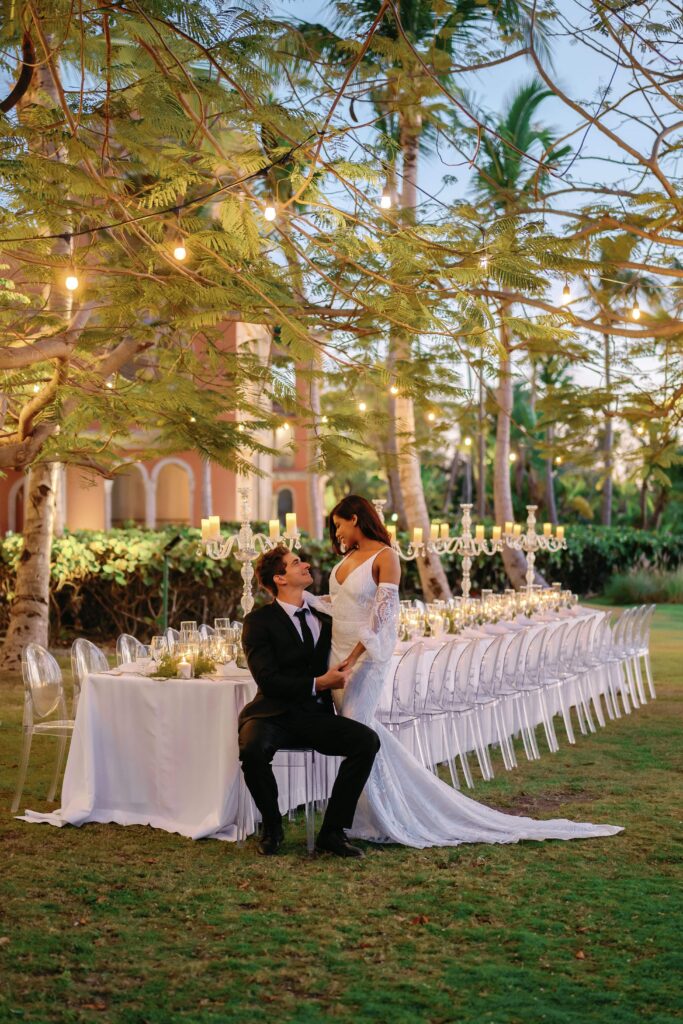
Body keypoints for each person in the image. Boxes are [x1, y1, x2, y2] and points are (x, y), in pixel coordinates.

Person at [305, 494, 623, 847]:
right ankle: (366, 815)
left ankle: (381, 815)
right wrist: (304, 600)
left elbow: (381, 618)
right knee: (360, 735)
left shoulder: (387, 557)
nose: (336, 533)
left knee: (358, 730)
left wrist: (353, 658)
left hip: (365, 657)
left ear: (355, 518)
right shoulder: (348, 557)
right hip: (336, 654)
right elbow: (343, 604)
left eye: (338, 525)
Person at [239, 545, 380, 858]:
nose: (305, 565)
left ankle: (332, 831)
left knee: (367, 741)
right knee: (252, 748)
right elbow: (268, 680)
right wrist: (319, 683)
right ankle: (272, 827)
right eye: (295, 563)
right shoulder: (258, 622)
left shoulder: (324, 615)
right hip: (271, 713)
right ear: (279, 578)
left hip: (314, 715)